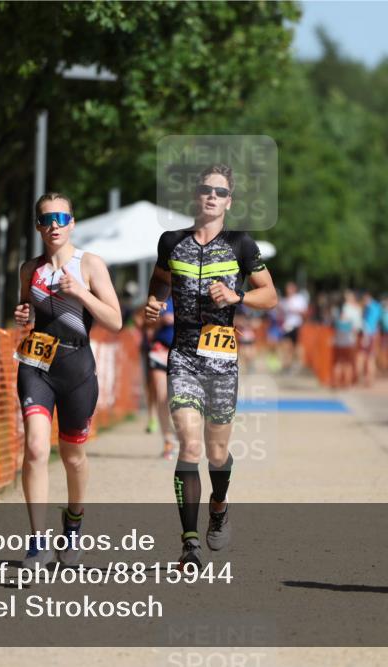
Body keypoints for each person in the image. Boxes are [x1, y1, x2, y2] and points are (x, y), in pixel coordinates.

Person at [146, 164, 277, 569]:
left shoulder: (240, 244)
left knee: (217, 453)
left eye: (220, 192)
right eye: (206, 189)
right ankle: (189, 543)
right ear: (195, 195)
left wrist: (238, 296)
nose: (212, 197)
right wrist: (154, 301)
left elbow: (269, 295)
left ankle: (218, 507)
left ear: (229, 201)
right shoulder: (171, 241)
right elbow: (160, 280)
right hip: (183, 356)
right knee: (189, 445)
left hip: (221, 360)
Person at [13, 192, 123, 567]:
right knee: (35, 448)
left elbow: (115, 320)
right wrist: (23, 314)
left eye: (61, 218)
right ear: (38, 226)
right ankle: (37, 543)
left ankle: (73, 523)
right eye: (46, 219)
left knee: (73, 456)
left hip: (77, 369)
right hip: (36, 365)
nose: (54, 226)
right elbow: (27, 312)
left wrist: (80, 292)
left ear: (72, 223)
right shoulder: (29, 269)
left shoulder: (89, 264)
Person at [147, 296, 177, 459]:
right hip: (160, 350)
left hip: (184, 354)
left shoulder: (196, 293)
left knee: (181, 398)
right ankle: (168, 441)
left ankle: (185, 434)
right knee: (161, 396)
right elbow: (143, 323)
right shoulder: (159, 296)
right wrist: (160, 321)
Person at [332, 290, 362, 388]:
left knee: (339, 361)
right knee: (348, 362)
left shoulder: (337, 309)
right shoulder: (354, 310)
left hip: (338, 339)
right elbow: (357, 326)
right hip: (349, 339)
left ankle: (337, 381)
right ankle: (347, 382)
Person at [278, 282, 308, 372]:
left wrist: (295, 311)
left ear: (294, 289)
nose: (288, 290)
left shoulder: (299, 299)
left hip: (296, 325)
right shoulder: (284, 301)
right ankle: (286, 365)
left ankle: (299, 364)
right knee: (286, 346)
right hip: (286, 326)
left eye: (290, 288)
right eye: (287, 289)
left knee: (296, 346)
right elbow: (280, 314)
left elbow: (305, 312)